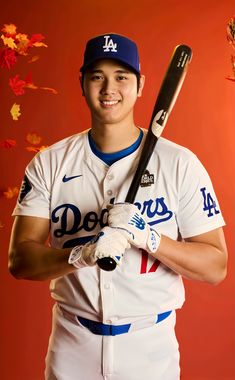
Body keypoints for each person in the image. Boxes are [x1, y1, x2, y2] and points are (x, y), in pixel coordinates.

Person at [8, 33, 227, 380]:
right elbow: (19, 261)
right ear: (82, 84)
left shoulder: (180, 163)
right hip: (72, 345)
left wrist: (150, 238)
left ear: (141, 85)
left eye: (121, 76)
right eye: (97, 76)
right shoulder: (48, 163)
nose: (109, 88)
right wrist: (82, 253)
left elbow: (216, 267)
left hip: (150, 350)